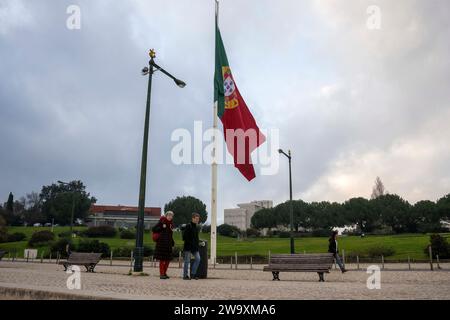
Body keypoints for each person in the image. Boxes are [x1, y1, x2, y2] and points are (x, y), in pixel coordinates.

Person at [152, 211, 175, 279]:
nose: (170, 217)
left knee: (168, 260)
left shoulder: (171, 224)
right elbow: (154, 229)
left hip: (168, 244)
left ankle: (164, 273)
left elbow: (170, 234)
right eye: (169, 215)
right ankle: (161, 274)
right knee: (162, 260)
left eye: (171, 216)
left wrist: (172, 242)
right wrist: (161, 227)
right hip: (161, 244)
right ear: (166, 216)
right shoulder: (162, 222)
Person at [182, 213, 201, 280]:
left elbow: (196, 237)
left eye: (198, 219)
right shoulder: (188, 226)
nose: (197, 220)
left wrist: (197, 243)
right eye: (196, 219)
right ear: (192, 218)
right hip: (188, 247)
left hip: (195, 247)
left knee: (198, 259)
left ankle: (193, 274)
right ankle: (185, 275)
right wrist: (191, 243)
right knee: (187, 261)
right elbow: (184, 237)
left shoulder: (196, 226)